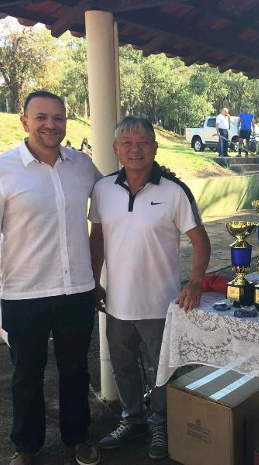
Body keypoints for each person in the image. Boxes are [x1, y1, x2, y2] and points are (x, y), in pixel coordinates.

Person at [0, 91, 101, 465]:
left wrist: (154, 176)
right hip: (25, 293)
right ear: (24, 121)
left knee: (76, 370)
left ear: (65, 122)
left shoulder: (81, 165)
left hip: (77, 289)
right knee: (26, 375)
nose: (50, 125)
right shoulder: (0, 170)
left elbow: (112, 194)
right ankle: (27, 447)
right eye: (41, 117)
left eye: (58, 117)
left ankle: (78, 437)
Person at [89, 116, 211, 461]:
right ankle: (133, 418)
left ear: (155, 147)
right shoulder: (103, 190)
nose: (135, 149)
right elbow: (97, 239)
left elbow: (200, 241)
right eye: (127, 143)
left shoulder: (174, 191)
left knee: (162, 369)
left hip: (161, 304)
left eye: (143, 142)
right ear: (116, 149)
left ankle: (160, 423)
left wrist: (195, 281)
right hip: (116, 304)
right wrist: (94, 282)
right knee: (123, 366)